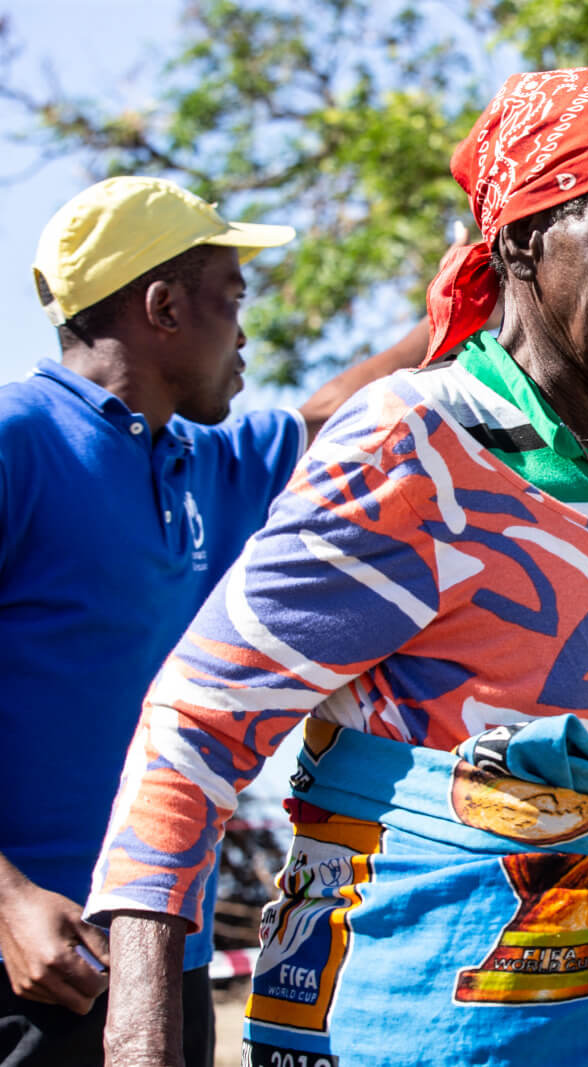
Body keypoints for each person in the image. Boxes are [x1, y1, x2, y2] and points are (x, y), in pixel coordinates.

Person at [86, 65, 588, 1067]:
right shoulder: (420, 445)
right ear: (520, 242)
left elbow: (560, 796)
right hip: (424, 1021)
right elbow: (194, 726)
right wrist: (141, 1044)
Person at [0, 176, 432, 1066]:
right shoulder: (19, 441)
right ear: (162, 306)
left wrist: (468, 297)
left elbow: (331, 418)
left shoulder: (203, 463)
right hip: (31, 962)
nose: (245, 331)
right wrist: (6, 901)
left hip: (164, 952)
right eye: (231, 299)